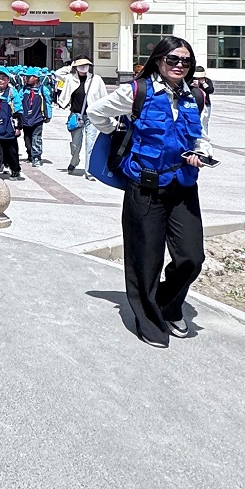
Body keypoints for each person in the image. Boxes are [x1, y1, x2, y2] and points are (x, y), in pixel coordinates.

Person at [87, 36, 210, 348]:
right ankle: (150, 320)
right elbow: (96, 112)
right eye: (173, 59)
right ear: (159, 60)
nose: (180, 65)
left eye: (186, 61)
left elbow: (201, 135)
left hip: (183, 185)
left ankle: (167, 303)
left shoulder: (195, 96)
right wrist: (116, 129)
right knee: (145, 258)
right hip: (144, 186)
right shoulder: (137, 91)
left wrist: (201, 153)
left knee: (192, 257)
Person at [58, 57, 107, 178]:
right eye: (80, 65)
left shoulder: (96, 79)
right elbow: (57, 73)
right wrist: (71, 66)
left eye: (86, 64)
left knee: (90, 143)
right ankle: (74, 160)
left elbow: (104, 96)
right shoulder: (70, 78)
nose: (83, 67)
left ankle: (89, 170)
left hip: (91, 116)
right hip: (76, 116)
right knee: (76, 144)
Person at [20, 68, 53, 167]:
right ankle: (29, 153)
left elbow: (48, 102)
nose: (26, 78)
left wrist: (48, 115)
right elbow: (19, 101)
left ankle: (36, 157)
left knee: (36, 138)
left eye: (29, 77)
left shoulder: (42, 89)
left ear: (36, 78)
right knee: (27, 138)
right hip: (25, 118)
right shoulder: (24, 89)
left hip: (38, 118)